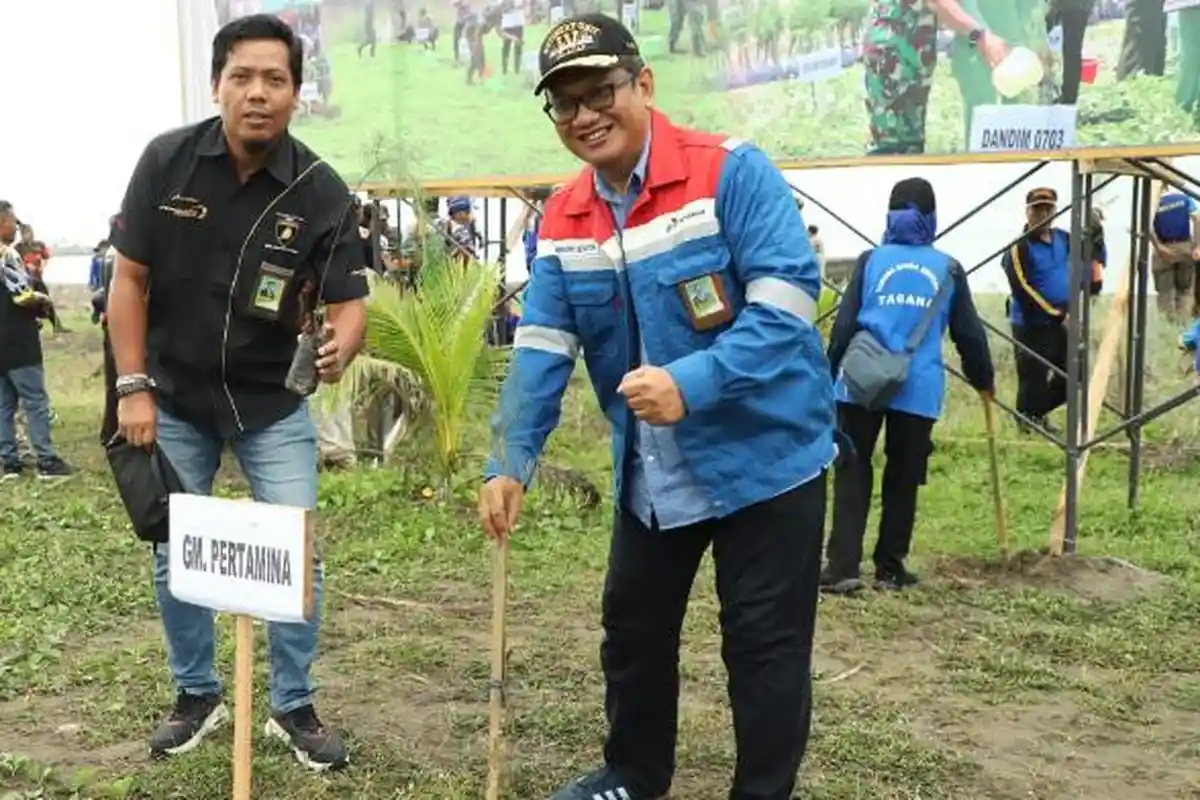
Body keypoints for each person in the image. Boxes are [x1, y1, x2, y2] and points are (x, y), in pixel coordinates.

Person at [479, 14, 835, 800]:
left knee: (764, 647)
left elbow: (785, 306)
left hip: (766, 462)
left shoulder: (731, 174)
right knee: (634, 633)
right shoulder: (564, 218)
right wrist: (509, 461)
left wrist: (693, 381)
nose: (583, 116)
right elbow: (541, 349)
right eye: (564, 104)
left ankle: (763, 790)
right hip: (654, 474)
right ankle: (633, 776)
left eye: (599, 91)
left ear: (643, 84)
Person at [105, 14, 367, 771]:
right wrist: (132, 388)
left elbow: (351, 301)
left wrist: (341, 343)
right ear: (217, 84)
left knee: (298, 553)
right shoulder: (168, 162)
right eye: (242, 78)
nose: (258, 93)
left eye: (275, 80)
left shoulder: (321, 190)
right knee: (174, 550)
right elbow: (129, 280)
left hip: (270, 406)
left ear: (296, 92)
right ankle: (196, 694)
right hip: (172, 395)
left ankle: (293, 702)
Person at [823, 178, 994, 594]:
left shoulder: (870, 261)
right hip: (917, 388)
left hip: (860, 382)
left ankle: (843, 568)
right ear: (932, 216)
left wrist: (829, 373)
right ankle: (890, 569)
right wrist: (983, 379)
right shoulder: (948, 268)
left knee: (852, 468)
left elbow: (845, 325)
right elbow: (969, 334)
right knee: (903, 476)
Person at [863, 0, 1007, 155]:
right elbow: (939, 3)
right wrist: (979, 35)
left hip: (902, 51)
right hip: (896, 55)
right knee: (893, 145)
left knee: (906, 141)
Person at [0, 202, 73, 480]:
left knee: (4, 404)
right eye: (12, 222)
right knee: (35, 402)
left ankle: (10, 464)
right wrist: (45, 301)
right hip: (18, 340)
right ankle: (46, 460)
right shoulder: (6, 255)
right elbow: (22, 296)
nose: (16, 228)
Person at [1001, 187, 1069, 434]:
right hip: (1031, 323)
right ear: (1027, 211)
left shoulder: (1065, 238)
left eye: (1047, 208)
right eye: (1037, 209)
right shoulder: (1018, 248)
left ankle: (1033, 414)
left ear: (1055, 211)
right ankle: (1028, 422)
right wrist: (1057, 314)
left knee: (1074, 376)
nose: (1042, 214)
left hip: (1064, 320)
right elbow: (1023, 289)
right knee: (1033, 376)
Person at [1151, 188, 1200, 321]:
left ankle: (1166, 327)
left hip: (1163, 247)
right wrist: (1197, 246)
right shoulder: (1185, 199)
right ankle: (1182, 325)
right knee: (1184, 290)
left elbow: (1145, 225)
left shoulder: (1154, 202)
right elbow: (1197, 219)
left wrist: (1159, 247)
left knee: (1164, 292)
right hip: (1185, 246)